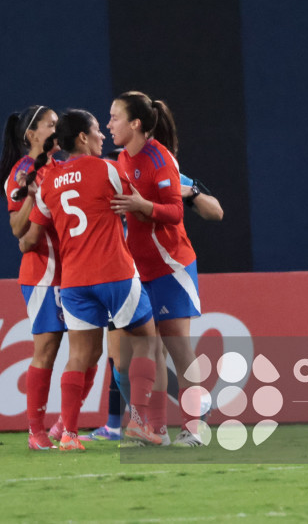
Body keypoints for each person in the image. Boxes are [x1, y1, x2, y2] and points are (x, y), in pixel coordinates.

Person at [19, 109, 162, 451]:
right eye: (97, 129)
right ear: (83, 137)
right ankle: (141, 423)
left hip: (73, 282)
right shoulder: (108, 169)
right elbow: (141, 200)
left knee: (80, 356)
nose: (102, 135)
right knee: (147, 341)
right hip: (115, 274)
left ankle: (68, 434)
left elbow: (30, 237)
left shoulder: (49, 182)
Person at [107, 91, 213, 447]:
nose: (109, 124)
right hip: (139, 271)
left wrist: (143, 205)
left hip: (171, 266)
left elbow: (176, 212)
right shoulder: (122, 158)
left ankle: (194, 429)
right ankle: (157, 430)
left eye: (115, 117)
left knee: (178, 350)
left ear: (136, 123)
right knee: (144, 354)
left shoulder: (160, 157)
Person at [0, 105, 67, 451]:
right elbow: (17, 229)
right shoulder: (22, 172)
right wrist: (33, 197)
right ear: (31, 134)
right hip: (43, 274)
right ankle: (36, 431)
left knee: (89, 349)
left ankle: (65, 424)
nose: (57, 128)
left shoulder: (63, 168)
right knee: (47, 350)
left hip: (74, 272)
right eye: (50, 124)